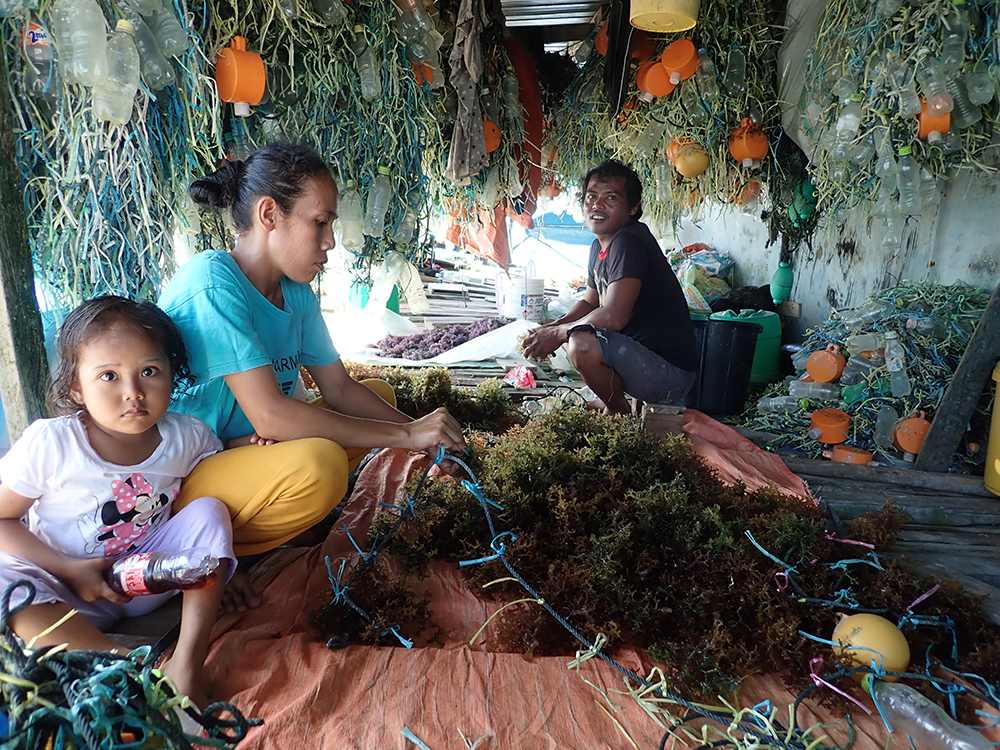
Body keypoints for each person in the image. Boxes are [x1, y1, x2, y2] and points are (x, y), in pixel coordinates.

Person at [158, 142, 465, 611]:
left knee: (377, 393)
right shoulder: (211, 283)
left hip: (251, 452)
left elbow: (338, 387)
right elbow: (270, 415)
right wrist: (405, 433)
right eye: (320, 222)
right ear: (268, 215)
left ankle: (272, 518)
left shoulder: (294, 292)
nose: (330, 242)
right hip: (184, 487)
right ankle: (209, 551)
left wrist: (420, 438)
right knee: (320, 466)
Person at [0, 296, 235, 709]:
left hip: (147, 578)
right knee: (4, 584)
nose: (133, 393)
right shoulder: (52, 443)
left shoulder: (187, 436)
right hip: (63, 590)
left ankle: (187, 662)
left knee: (210, 510)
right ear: (76, 386)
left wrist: (223, 562)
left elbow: (218, 491)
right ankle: (127, 670)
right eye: (109, 375)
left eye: (149, 371)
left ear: (172, 375)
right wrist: (70, 570)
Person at [522, 160, 697, 415]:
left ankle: (617, 413)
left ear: (633, 207)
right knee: (572, 334)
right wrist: (551, 328)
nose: (597, 205)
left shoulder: (629, 241)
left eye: (610, 197)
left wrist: (560, 333)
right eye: (591, 196)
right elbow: (590, 303)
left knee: (581, 343)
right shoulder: (600, 246)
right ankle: (613, 404)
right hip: (643, 361)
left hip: (669, 376)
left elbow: (613, 316)